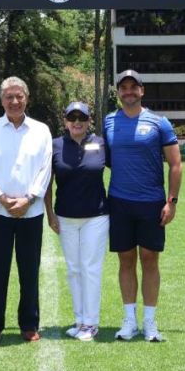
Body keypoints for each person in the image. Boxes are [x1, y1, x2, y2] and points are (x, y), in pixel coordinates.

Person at [104, 70, 182, 342]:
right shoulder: (109, 121)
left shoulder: (160, 123)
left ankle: (149, 322)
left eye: (133, 87)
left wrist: (171, 202)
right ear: (118, 92)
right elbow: (109, 160)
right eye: (123, 87)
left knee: (149, 260)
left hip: (151, 204)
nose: (128, 91)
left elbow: (175, 164)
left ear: (142, 90)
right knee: (125, 260)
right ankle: (129, 320)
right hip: (119, 202)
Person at [0, 76, 52, 346]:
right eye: (9, 96)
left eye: (19, 96)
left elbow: (45, 169)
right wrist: (3, 199)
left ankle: (29, 324)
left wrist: (29, 200)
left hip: (31, 213)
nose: (15, 101)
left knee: (29, 272)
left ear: (27, 98)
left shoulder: (41, 130)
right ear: (1, 100)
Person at [44, 101, 108, 342]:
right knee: (74, 269)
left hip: (96, 217)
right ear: (65, 121)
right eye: (72, 118)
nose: (77, 122)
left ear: (89, 121)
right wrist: (50, 214)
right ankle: (80, 320)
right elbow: (47, 182)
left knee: (90, 268)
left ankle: (91, 323)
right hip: (65, 217)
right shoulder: (55, 145)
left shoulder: (101, 143)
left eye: (82, 118)